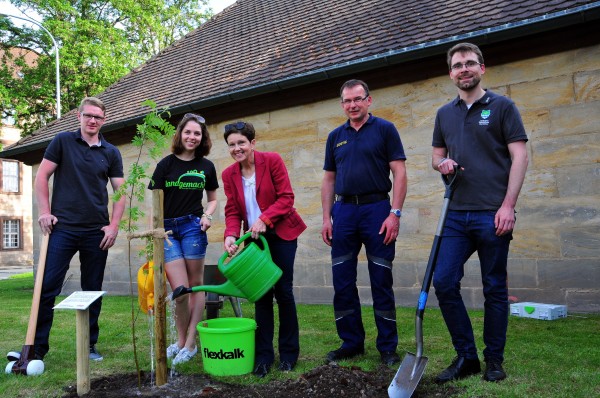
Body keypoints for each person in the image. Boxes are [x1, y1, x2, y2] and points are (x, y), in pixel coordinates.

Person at [431, 42, 528, 383]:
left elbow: (520, 157)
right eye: (458, 65)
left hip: (492, 213)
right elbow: (435, 157)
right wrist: (441, 163)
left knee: (494, 288)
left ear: (482, 68)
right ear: (451, 73)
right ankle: (466, 357)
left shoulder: (502, 107)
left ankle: (494, 360)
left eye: (470, 63)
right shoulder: (444, 113)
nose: (464, 69)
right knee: (443, 282)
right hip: (456, 214)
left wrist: (508, 206)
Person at [321, 79, 408, 366]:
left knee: (381, 279)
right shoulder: (336, 136)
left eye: (357, 99)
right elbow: (329, 180)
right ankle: (351, 342)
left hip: (377, 209)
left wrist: (394, 213)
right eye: (347, 101)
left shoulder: (385, 130)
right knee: (342, 281)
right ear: (342, 104)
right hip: (343, 211)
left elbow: (400, 173)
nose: (352, 105)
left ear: (368, 100)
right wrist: (326, 218)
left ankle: (387, 347)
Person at [34, 96, 126, 361]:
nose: (93, 120)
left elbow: (121, 192)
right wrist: (44, 212)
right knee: (47, 286)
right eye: (88, 115)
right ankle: (38, 348)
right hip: (61, 229)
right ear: (79, 116)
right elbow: (42, 176)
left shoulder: (111, 152)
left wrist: (113, 226)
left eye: (98, 117)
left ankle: (89, 345)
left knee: (92, 289)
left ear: (103, 120)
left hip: (96, 233)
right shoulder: (62, 141)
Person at [222, 121, 306, 378]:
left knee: (283, 291)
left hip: (281, 234)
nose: (237, 148)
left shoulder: (272, 161)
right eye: (232, 145)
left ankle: (289, 355)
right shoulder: (228, 175)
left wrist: (265, 218)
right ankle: (263, 357)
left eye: (241, 143)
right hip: (254, 239)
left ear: (252, 143)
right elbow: (233, 210)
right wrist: (230, 235)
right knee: (260, 295)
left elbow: (286, 198)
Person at [149, 113, 218, 365]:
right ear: (180, 134)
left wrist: (208, 215)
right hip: (167, 231)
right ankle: (179, 340)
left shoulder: (206, 167)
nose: (192, 137)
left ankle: (190, 343)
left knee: (195, 285)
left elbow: (212, 199)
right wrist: (153, 235)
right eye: (188, 132)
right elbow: (155, 204)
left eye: (197, 134)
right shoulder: (165, 165)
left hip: (192, 227)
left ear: (202, 138)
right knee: (180, 291)